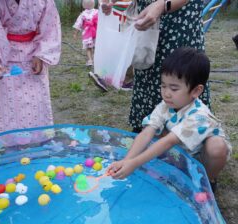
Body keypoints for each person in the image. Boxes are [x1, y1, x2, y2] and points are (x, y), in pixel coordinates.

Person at [106, 47, 232, 192]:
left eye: (174, 88)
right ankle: (179, 164)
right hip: (182, 146)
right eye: (163, 85)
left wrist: (134, 164)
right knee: (155, 131)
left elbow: (169, 141)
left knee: (216, 146)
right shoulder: (166, 104)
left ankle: (208, 180)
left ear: (196, 91)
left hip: (201, 153)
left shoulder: (199, 115)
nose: (166, 93)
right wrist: (126, 161)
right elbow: (147, 132)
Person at [102, 0, 210, 132]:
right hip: (147, 27)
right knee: (147, 73)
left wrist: (163, 5)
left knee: (178, 76)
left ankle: (186, 132)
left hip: (178, 25)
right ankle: (148, 129)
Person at [0, 0, 61, 133]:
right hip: (2, 56)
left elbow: (51, 26)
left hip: (34, 55)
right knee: (7, 107)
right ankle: (11, 145)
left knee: (38, 103)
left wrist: (41, 54)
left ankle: (43, 142)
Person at [73, 0, 98, 66]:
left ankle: (90, 60)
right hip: (96, 33)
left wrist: (75, 33)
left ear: (83, 5)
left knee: (88, 48)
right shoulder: (97, 12)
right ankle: (97, 60)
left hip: (88, 34)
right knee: (96, 47)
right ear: (94, 4)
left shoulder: (82, 14)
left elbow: (78, 24)